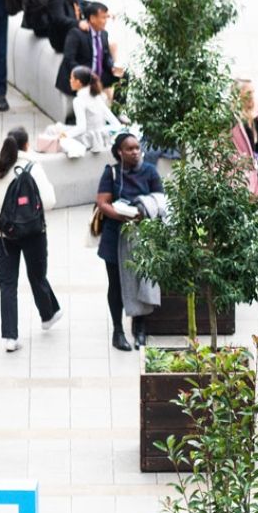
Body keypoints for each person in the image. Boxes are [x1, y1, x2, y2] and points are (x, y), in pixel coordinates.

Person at [0, 130, 63, 352]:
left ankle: (10, 337)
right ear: (27, 144)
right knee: (37, 275)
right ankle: (48, 315)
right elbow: (50, 201)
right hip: (33, 232)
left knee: (8, 284)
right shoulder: (33, 166)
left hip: (2, 233)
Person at [94, 134, 164, 352]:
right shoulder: (111, 173)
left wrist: (142, 211)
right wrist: (119, 215)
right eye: (130, 149)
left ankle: (140, 327)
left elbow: (160, 200)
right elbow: (102, 202)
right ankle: (118, 331)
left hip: (143, 235)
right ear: (119, 152)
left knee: (142, 280)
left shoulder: (150, 171)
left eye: (137, 148)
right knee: (115, 284)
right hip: (115, 235)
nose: (135, 152)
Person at [59, 3, 120, 122]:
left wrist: (112, 67)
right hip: (83, 75)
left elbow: (106, 57)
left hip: (97, 75)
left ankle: (117, 111)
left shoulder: (103, 34)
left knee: (122, 76)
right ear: (92, 18)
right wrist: (85, 74)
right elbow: (69, 59)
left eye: (107, 17)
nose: (105, 21)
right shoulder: (76, 33)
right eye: (103, 17)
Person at [42, 68, 117, 158]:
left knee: (51, 130)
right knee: (58, 128)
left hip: (87, 138)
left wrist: (66, 135)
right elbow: (112, 119)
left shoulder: (79, 100)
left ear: (79, 82)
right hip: (99, 136)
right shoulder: (98, 96)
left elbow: (82, 127)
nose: (70, 81)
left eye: (72, 78)